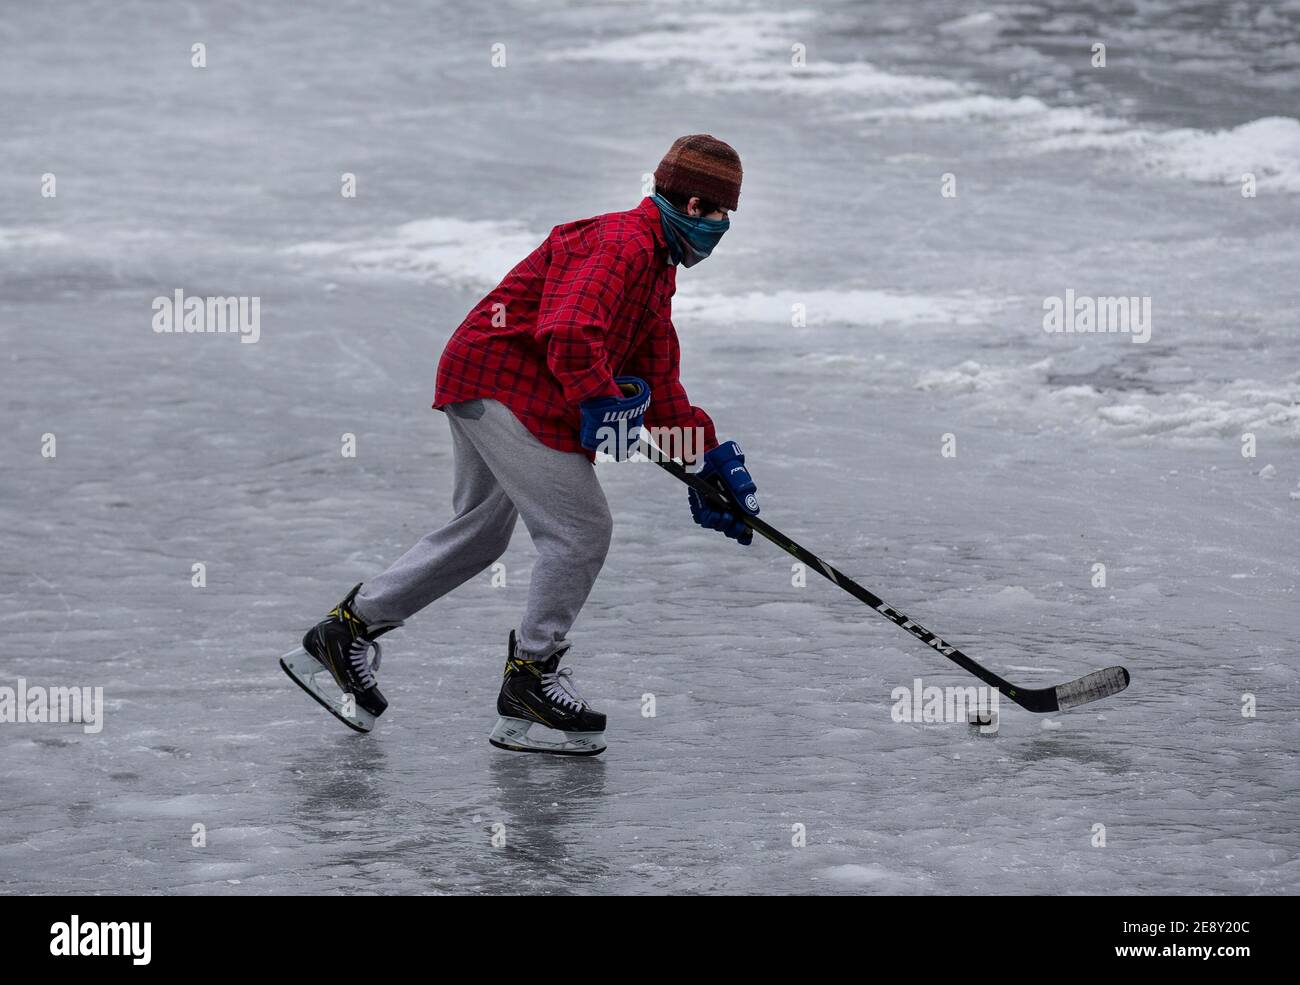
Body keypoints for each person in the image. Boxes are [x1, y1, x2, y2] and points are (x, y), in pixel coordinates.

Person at [281, 135, 760, 755]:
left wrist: (706, 463)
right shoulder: (623, 245)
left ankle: (341, 636)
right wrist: (597, 398)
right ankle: (532, 679)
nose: (723, 229)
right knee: (580, 531)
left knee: (480, 533)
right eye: (723, 215)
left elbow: (659, 377)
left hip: (488, 378)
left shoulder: (653, 266)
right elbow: (568, 330)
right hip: (505, 385)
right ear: (696, 205)